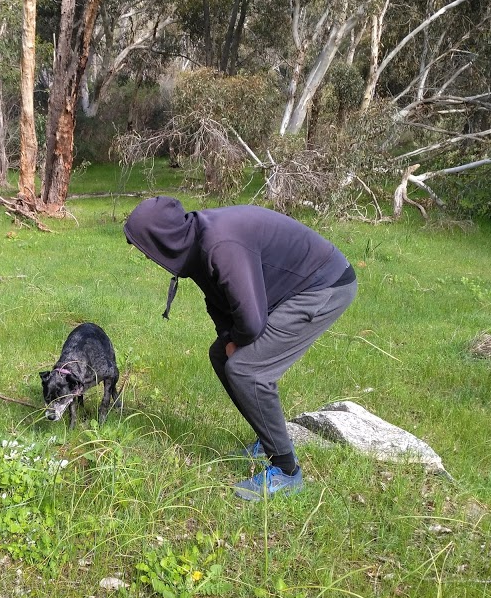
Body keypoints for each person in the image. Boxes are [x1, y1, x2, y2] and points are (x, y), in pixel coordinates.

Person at [123, 196, 357, 501]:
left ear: (162, 238)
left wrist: (240, 342)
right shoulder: (195, 243)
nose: (146, 256)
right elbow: (219, 300)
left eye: (145, 246)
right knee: (221, 354)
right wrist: (228, 339)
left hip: (324, 285)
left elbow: (251, 319)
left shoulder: (219, 244)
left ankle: (287, 471)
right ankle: (268, 438)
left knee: (248, 370)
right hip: (291, 288)